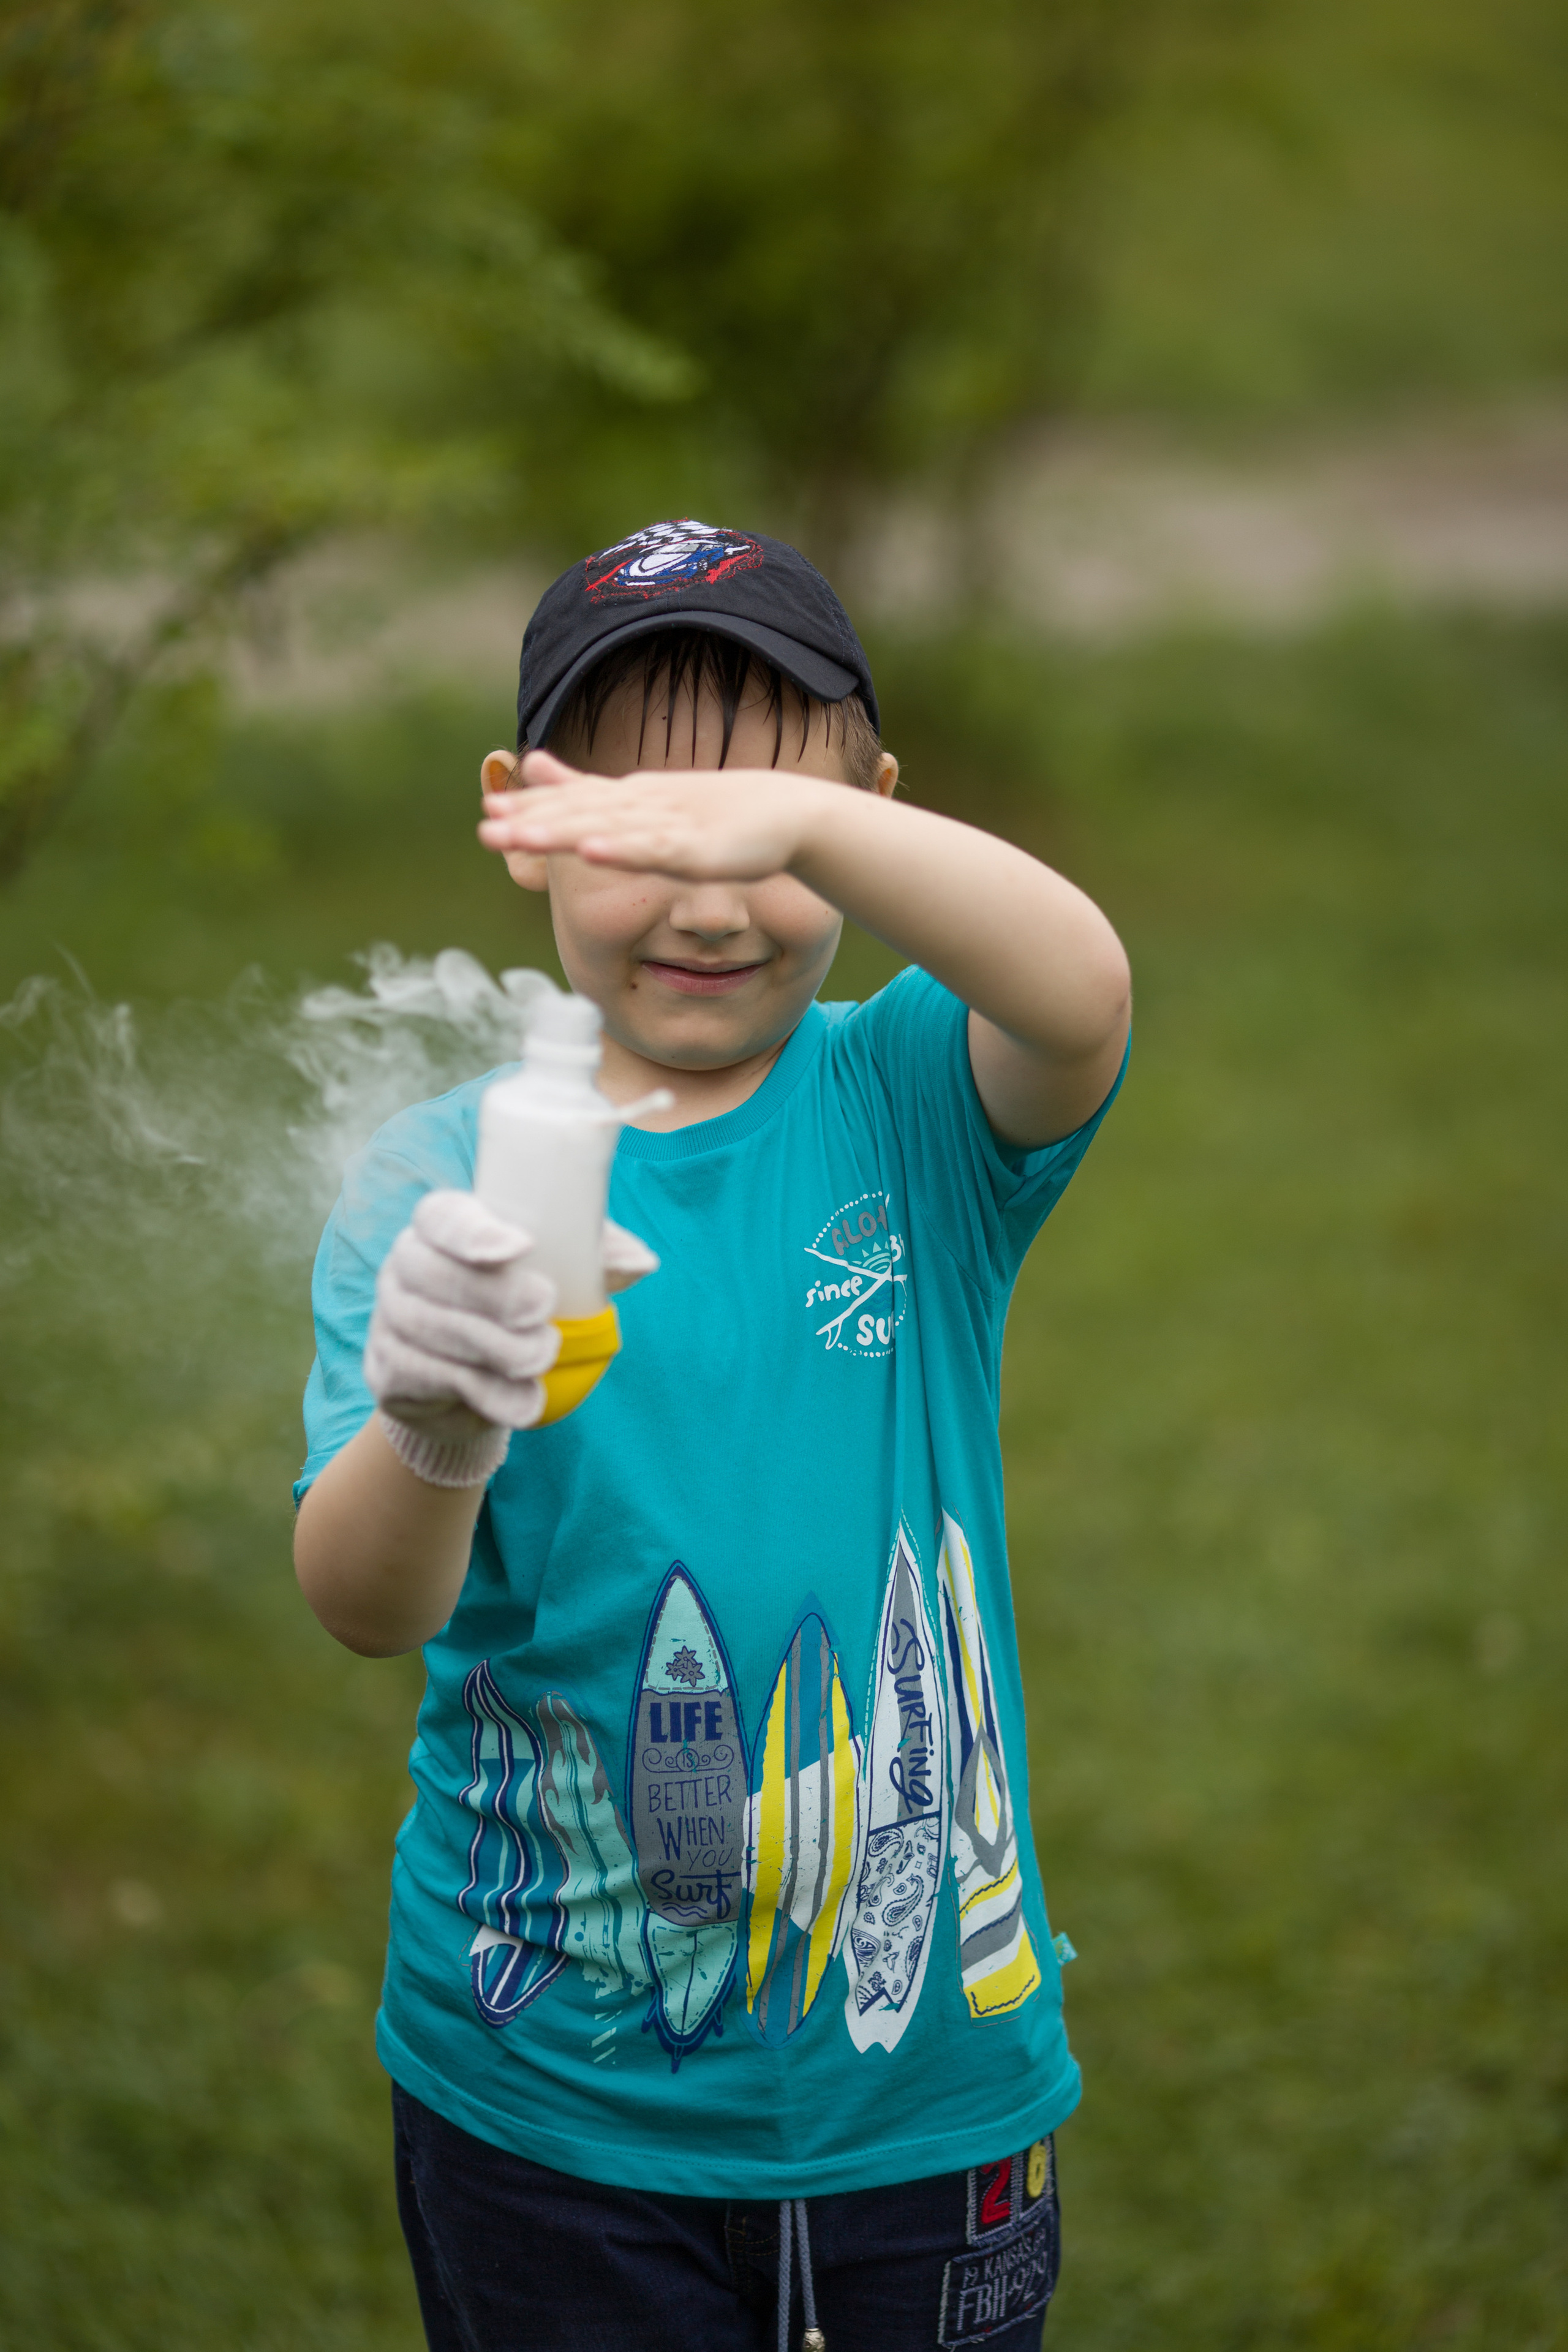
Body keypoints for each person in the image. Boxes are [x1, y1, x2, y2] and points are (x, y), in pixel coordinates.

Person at [293, 518, 1131, 2352]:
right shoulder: (440, 1181)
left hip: (928, 2086)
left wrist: (792, 824)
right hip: (551, 2101)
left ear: (868, 815)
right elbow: (362, 1602)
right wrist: (437, 1421)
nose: (707, 894)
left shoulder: (910, 1092)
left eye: (765, 827)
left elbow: (1080, 987)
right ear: (524, 814)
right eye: (637, 826)